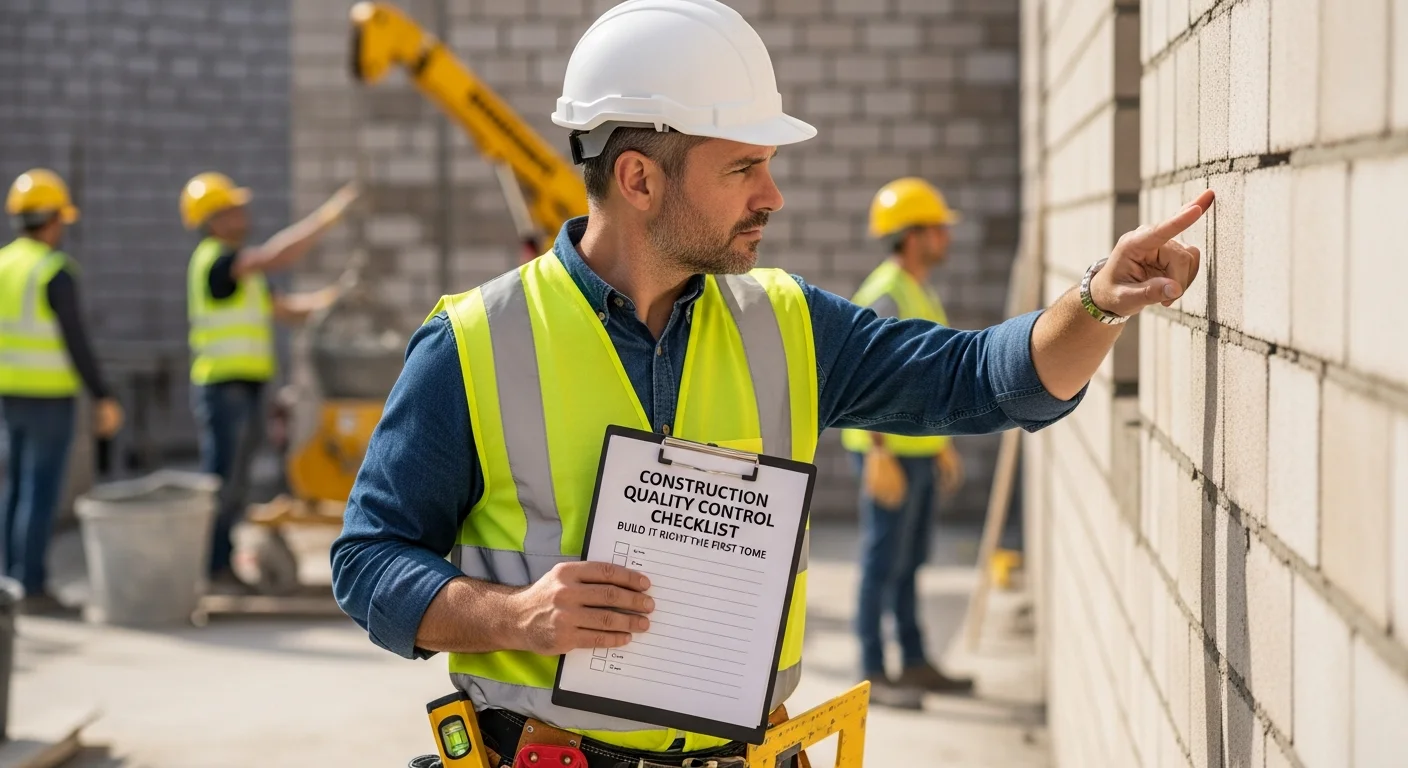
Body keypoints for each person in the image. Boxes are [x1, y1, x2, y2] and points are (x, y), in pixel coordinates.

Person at [331, 0, 1210, 765]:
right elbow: (368, 562)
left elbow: (978, 379)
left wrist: (1099, 302)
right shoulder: (476, 341)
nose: (774, 196)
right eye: (744, 167)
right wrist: (516, 615)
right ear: (639, 177)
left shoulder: (786, 321)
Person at [181, 172, 358, 588]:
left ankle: (220, 564)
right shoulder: (219, 262)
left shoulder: (244, 271)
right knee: (223, 481)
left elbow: (288, 311)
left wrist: (336, 297)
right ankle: (213, 567)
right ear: (213, 219)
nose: (243, 215)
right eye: (233, 209)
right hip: (223, 386)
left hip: (246, 386)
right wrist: (328, 217)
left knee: (237, 481)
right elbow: (278, 255)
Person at [838, 177, 973, 708]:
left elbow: (925, 375)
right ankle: (872, 674)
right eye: (938, 228)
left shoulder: (918, 286)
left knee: (911, 559)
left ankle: (913, 662)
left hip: (915, 448)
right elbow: (865, 377)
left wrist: (940, 441)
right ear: (911, 236)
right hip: (887, 453)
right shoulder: (886, 293)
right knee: (881, 559)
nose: (946, 237)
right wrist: (876, 452)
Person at [0, 169, 123, 614]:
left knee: (14, 489)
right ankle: (31, 588)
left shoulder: (3, 264)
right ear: (51, 219)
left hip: (9, 393)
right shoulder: (53, 270)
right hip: (49, 396)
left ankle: (9, 581)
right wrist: (103, 395)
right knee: (40, 490)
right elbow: (76, 341)